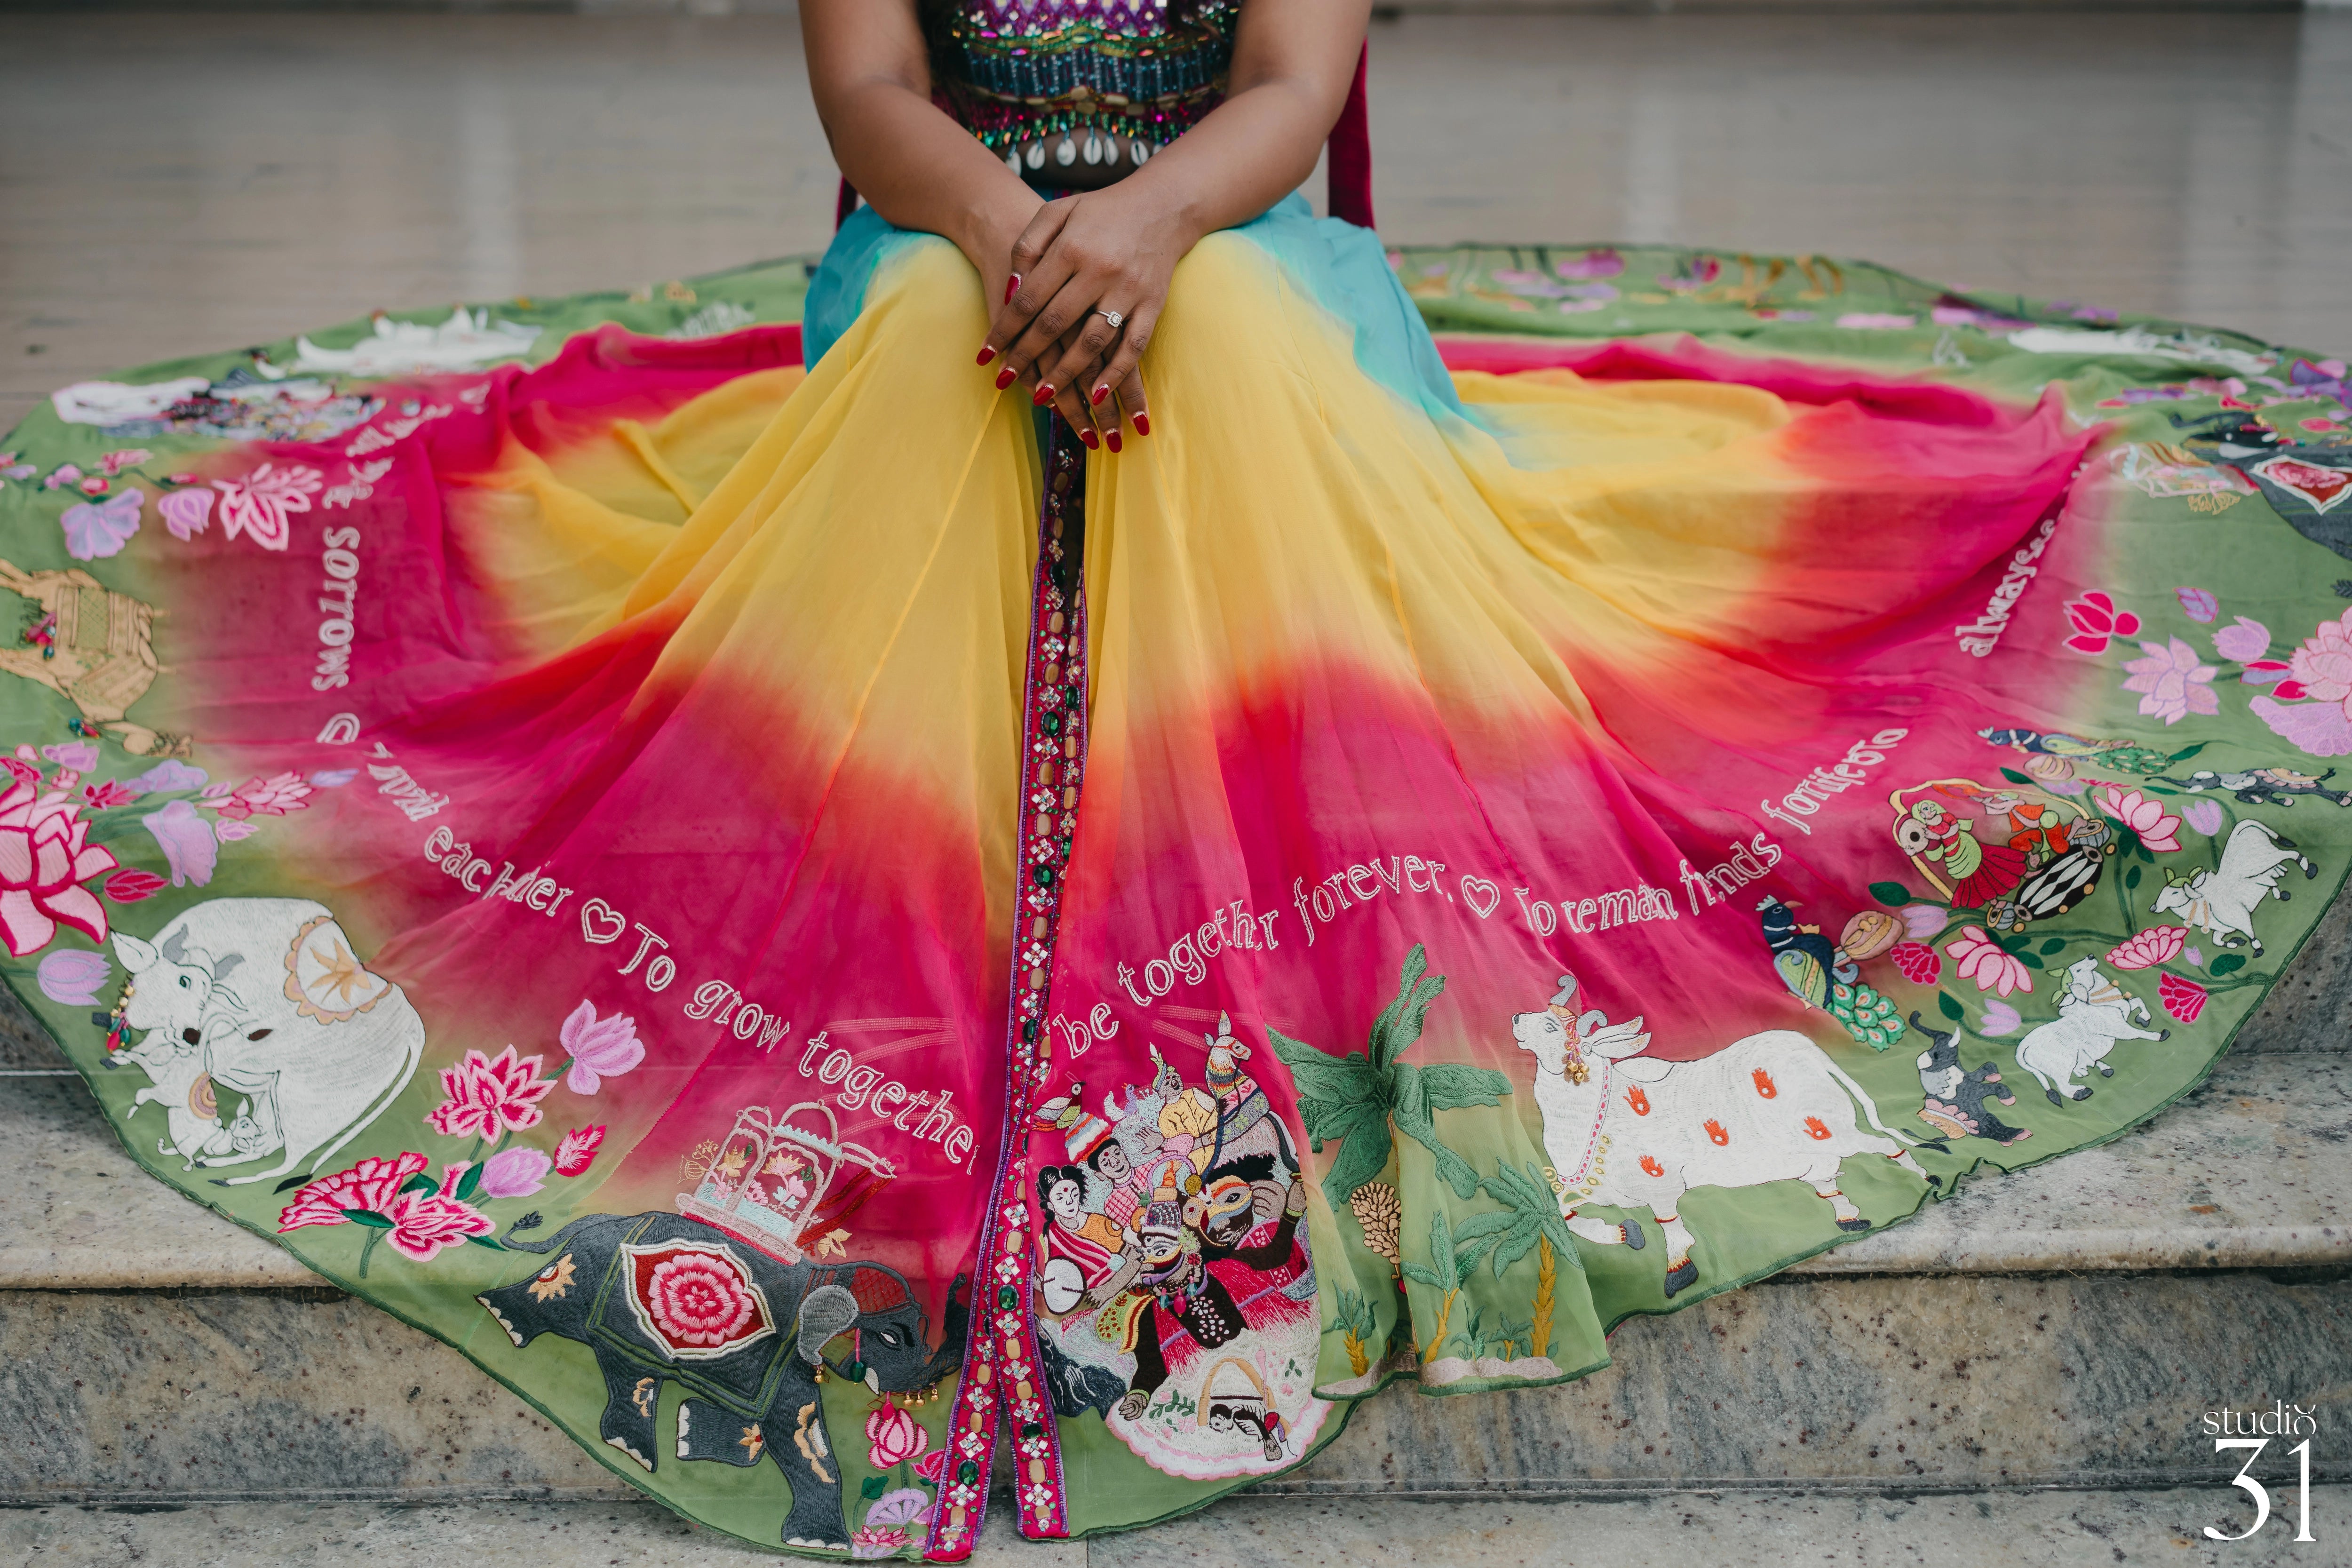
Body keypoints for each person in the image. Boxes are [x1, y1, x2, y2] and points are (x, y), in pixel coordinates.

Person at [15, 0, 2348, 1555]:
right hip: (941, 250)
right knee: (933, 355)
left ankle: (1236, 842)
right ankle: (930, 846)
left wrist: (1136, 230)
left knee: (1217, 337)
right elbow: (870, 92)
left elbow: (1285, 86)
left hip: (1239, 254)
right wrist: (1015, 236)